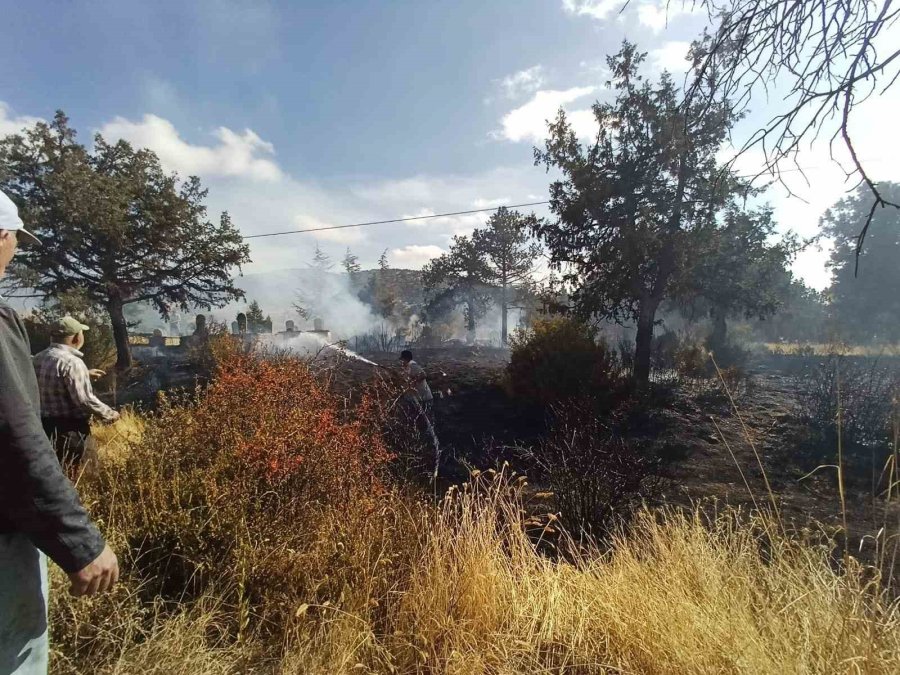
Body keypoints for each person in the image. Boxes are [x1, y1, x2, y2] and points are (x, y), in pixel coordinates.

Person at [0, 189, 119, 675]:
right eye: (14, 241)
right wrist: (78, 540)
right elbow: (15, 433)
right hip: (63, 437)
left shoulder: (39, 356)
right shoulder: (12, 327)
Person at [33, 316, 119, 467]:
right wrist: (110, 414)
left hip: (44, 429)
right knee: (84, 478)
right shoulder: (73, 363)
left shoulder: (39, 358)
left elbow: (51, 379)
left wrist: (85, 373)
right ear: (77, 338)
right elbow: (84, 400)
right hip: (71, 433)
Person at [399, 349, 440, 477]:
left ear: (406, 359)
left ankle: (430, 438)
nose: (402, 362)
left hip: (424, 399)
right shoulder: (407, 368)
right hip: (416, 399)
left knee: (427, 419)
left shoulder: (412, 365)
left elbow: (423, 374)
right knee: (417, 419)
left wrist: (413, 381)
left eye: (402, 360)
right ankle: (420, 435)